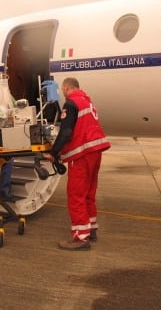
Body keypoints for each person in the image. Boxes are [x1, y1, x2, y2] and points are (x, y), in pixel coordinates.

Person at [43, 77, 111, 251]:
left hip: (81, 153)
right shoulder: (87, 102)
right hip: (95, 151)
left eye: (63, 91)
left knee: (76, 195)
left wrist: (53, 152)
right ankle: (92, 228)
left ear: (66, 88)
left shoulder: (72, 103)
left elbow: (66, 131)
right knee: (89, 192)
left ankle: (81, 238)